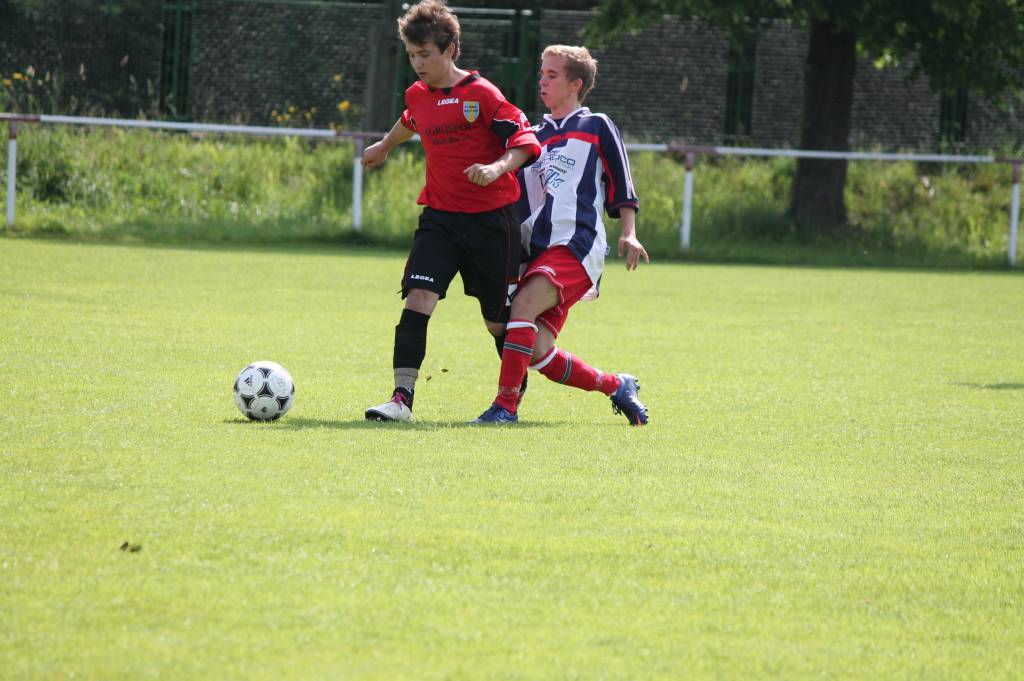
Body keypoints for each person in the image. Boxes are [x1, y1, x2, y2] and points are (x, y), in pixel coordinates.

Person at [361, 0, 540, 422]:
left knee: (497, 322)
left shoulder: (483, 94)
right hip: (440, 219)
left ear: (450, 50)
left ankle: (511, 396)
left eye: (425, 54)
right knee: (418, 298)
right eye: (412, 55)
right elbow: (412, 119)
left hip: (492, 223)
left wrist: (496, 168)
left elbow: (525, 142)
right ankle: (401, 399)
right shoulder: (418, 95)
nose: (418, 64)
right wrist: (385, 146)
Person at [472, 44, 650, 426]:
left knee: (523, 306)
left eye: (552, 75)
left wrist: (630, 232)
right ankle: (617, 385)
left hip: (576, 242)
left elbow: (622, 182)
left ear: (575, 84)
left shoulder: (596, 125)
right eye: (541, 74)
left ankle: (505, 408)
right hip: (538, 251)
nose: (543, 81)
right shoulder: (533, 136)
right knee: (538, 351)